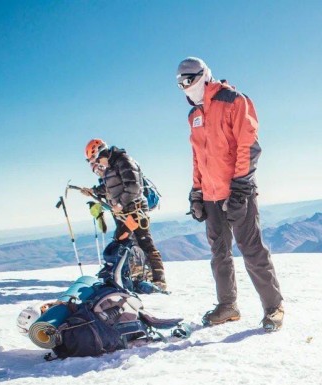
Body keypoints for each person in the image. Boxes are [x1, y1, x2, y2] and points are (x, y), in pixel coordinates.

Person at [176, 57, 284, 330]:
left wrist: (241, 188)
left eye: (190, 79)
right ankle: (228, 306)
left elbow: (249, 145)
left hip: (236, 191)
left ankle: (274, 307)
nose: (186, 86)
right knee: (219, 253)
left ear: (204, 75)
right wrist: (196, 191)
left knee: (251, 249)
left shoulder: (234, 100)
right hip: (211, 195)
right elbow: (197, 157)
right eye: (181, 82)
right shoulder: (194, 116)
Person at [82, 139, 168, 291]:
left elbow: (134, 186)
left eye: (96, 160)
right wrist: (93, 191)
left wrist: (120, 204)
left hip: (135, 210)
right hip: (125, 212)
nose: (97, 165)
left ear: (101, 153)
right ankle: (130, 276)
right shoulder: (110, 168)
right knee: (123, 241)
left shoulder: (124, 161)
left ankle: (158, 280)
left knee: (143, 242)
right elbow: (110, 187)